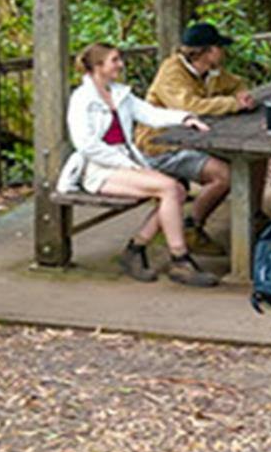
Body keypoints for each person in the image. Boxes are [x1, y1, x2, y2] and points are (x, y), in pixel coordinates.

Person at [57, 43, 220, 286]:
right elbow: (86, 144)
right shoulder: (81, 99)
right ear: (98, 66)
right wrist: (125, 164)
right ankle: (179, 259)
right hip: (98, 169)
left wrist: (184, 118)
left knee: (178, 190)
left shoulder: (119, 93)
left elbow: (150, 114)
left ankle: (136, 249)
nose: (120, 64)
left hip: (125, 162)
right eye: (114, 60)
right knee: (168, 188)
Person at [142, 21, 249, 255]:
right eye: (220, 47)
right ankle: (192, 227)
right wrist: (232, 103)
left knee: (253, 159)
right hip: (159, 147)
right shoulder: (171, 71)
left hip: (192, 140)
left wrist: (240, 94)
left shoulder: (210, 72)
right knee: (226, 176)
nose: (224, 52)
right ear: (209, 51)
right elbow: (188, 106)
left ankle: (253, 214)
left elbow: (237, 83)